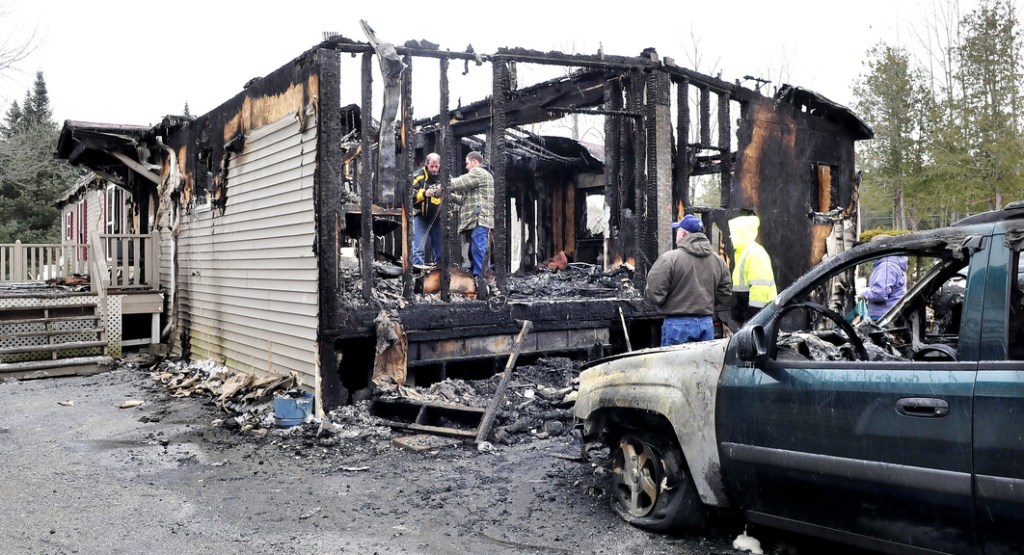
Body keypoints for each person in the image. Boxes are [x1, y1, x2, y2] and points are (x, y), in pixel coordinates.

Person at [645, 214, 732, 346]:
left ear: (684, 234)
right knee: (702, 365)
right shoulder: (718, 261)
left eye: (678, 231)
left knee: (675, 366)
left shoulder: (669, 259)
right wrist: (705, 302)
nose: (676, 235)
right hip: (706, 323)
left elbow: (654, 294)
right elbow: (725, 293)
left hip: (677, 325)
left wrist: (669, 303)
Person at [448, 151, 494, 277]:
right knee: (474, 251)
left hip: (479, 219)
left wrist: (443, 185)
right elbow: (464, 200)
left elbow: (458, 183)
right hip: (477, 219)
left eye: (467, 163)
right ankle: (477, 279)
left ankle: (481, 280)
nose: (466, 167)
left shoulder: (478, 172)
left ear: (474, 162)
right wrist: (451, 197)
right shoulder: (483, 176)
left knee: (478, 250)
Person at [728, 214, 777, 325]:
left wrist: (752, 319)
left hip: (756, 320)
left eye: (733, 232)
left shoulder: (754, 254)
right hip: (752, 318)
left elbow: (760, 289)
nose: (730, 236)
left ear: (742, 233)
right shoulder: (745, 253)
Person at [861, 234, 908, 321]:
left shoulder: (886, 266)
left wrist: (863, 293)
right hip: (890, 314)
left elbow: (880, 294)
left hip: (884, 317)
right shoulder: (894, 263)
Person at [411, 153, 443, 266]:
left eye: (436, 166)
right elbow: (410, 197)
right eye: (431, 166)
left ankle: (440, 275)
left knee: (441, 250)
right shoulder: (418, 176)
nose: (434, 169)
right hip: (421, 216)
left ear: (440, 165)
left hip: (438, 218)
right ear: (426, 165)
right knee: (418, 249)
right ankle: (418, 277)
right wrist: (424, 194)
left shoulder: (444, 177)